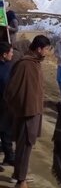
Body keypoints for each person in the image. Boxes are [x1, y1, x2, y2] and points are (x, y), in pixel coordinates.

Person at [4, 35, 51, 188]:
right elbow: (10, 91)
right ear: (39, 49)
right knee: (24, 146)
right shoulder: (24, 64)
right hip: (26, 114)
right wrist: (20, 107)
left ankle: (19, 174)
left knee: (27, 146)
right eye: (46, 49)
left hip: (33, 112)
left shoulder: (35, 63)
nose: (47, 52)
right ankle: (20, 180)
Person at [0, 42, 15, 171]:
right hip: (2, 104)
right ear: (4, 54)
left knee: (6, 132)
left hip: (7, 106)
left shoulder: (11, 66)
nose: (12, 54)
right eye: (10, 52)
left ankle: (9, 156)